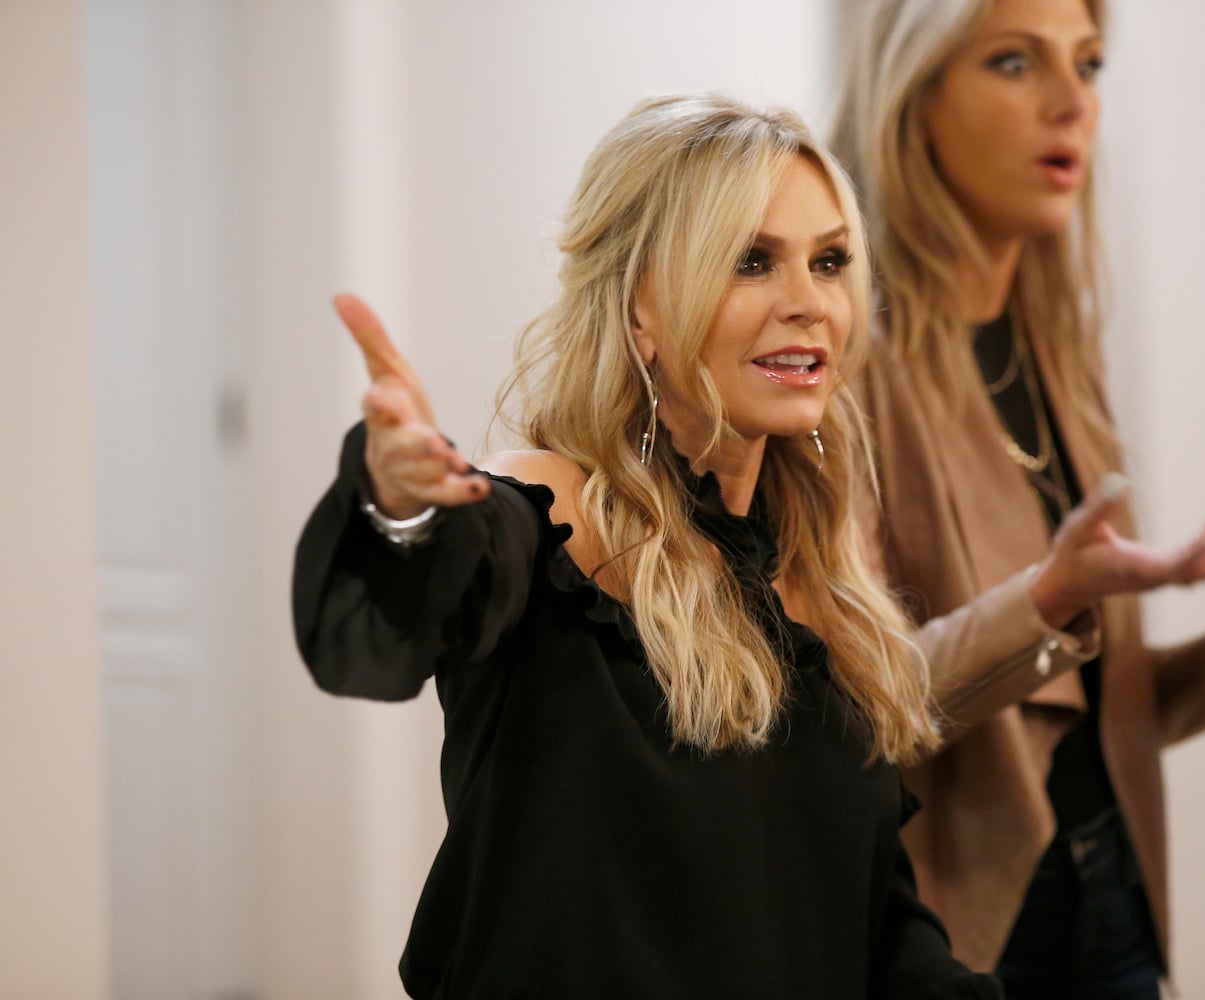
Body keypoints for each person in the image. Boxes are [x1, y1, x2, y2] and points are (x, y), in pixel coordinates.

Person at [291, 94, 1004, 999]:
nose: (810, 304)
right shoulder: (549, 514)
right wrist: (400, 508)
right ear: (641, 313)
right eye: (752, 261)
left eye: (829, 262)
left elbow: (871, 923)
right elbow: (392, 624)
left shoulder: (824, 586)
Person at [831, 0, 1205, 995]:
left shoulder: (1058, 348)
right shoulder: (847, 362)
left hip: (1119, 898)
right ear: (916, 99)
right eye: (1016, 62)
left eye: (1089, 64)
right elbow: (857, 704)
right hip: (969, 931)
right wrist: (1049, 598)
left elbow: (1075, 707)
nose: (1072, 102)